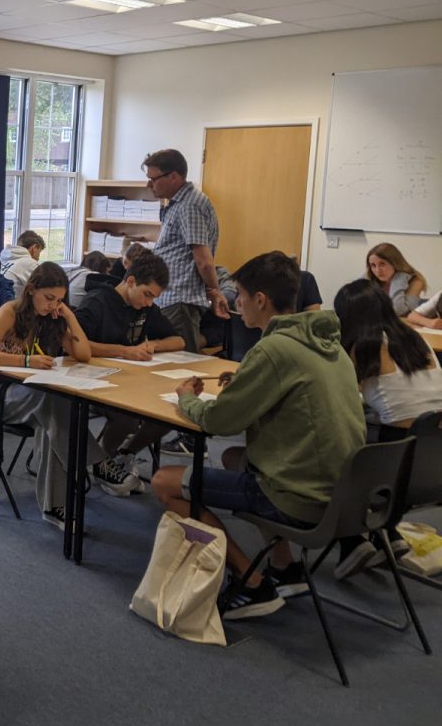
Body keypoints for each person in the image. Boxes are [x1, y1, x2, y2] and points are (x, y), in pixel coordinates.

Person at [151, 252, 365, 619]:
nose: (237, 303)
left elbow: (218, 421)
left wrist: (187, 398)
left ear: (261, 299)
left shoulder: (272, 349)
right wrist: (246, 382)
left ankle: (250, 582)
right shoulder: (329, 344)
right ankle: (284, 567)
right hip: (346, 494)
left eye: (240, 295)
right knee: (234, 458)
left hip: (299, 496)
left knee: (163, 481)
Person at [332, 278, 442, 578]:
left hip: (395, 464)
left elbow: (340, 396)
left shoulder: (360, 347)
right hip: (433, 464)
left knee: (333, 455)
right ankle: (389, 535)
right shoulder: (414, 338)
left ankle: (352, 543)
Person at [0, 263, 93, 528]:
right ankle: (94, 462)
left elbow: (84, 355)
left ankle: (54, 506)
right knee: (53, 402)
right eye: (49, 298)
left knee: (51, 419)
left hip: (31, 395)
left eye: (59, 300)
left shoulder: (54, 319)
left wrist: (69, 317)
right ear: (30, 290)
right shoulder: (10, 311)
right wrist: (26, 361)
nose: (52, 305)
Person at [75, 250, 185, 495]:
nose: (149, 303)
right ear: (131, 281)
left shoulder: (144, 308)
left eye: (154, 298)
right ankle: (102, 463)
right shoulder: (98, 302)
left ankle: (124, 454)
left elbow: (178, 341)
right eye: (147, 295)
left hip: (130, 379)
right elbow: (74, 343)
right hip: (92, 379)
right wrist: (124, 351)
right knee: (127, 416)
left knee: (171, 411)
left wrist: (153, 345)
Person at [143, 149, 229, 353]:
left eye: (153, 179)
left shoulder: (189, 206)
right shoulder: (178, 204)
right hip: (171, 299)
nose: (149, 185)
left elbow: (204, 262)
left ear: (173, 177)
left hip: (180, 301)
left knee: (179, 363)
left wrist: (215, 293)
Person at [366, 242, 427, 317]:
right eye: (373, 265)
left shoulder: (416, 281)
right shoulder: (369, 278)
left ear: (395, 263)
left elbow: (401, 312)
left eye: (382, 264)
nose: (377, 270)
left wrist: (398, 279)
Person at [0, 230, 45, 294]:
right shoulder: (30, 263)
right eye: (39, 253)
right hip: (13, 300)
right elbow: (46, 288)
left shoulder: (6, 259)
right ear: (34, 248)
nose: (38, 258)